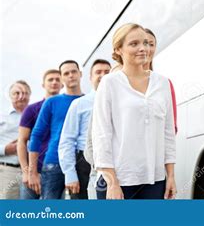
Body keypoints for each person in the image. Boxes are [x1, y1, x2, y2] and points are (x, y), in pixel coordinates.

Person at [92, 23, 176, 199]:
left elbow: (168, 133)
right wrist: (112, 182)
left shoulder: (162, 83)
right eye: (134, 44)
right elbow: (101, 135)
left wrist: (171, 176)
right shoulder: (109, 83)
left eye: (146, 43)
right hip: (119, 181)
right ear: (119, 50)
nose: (143, 48)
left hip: (155, 181)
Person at [28, 60, 83, 199]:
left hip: (83, 163)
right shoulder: (52, 102)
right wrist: (32, 172)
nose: (71, 75)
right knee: (49, 212)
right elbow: (37, 135)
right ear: (62, 79)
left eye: (74, 71)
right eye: (66, 73)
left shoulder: (90, 101)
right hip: (54, 162)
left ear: (80, 74)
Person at [58, 59, 111, 199]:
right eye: (98, 72)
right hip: (84, 164)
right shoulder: (79, 104)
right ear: (90, 77)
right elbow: (67, 140)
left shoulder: (120, 102)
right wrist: (70, 174)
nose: (103, 75)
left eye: (107, 71)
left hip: (113, 160)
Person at [18, 70, 62, 199]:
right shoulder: (32, 109)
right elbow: (22, 141)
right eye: (50, 79)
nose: (54, 82)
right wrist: (27, 172)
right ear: (43, 84)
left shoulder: (67, 107)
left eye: (57, 79)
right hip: (34, 170)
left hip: (57, 171)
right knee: (26, 215)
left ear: (62, 84)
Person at [0, 81, 31, 199]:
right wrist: (5, 149)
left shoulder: (36, 115)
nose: (21, 96)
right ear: (10, 95)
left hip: (31, 172)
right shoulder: (2, 117)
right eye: (16, 93)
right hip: (8, 171)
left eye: (25, 93)